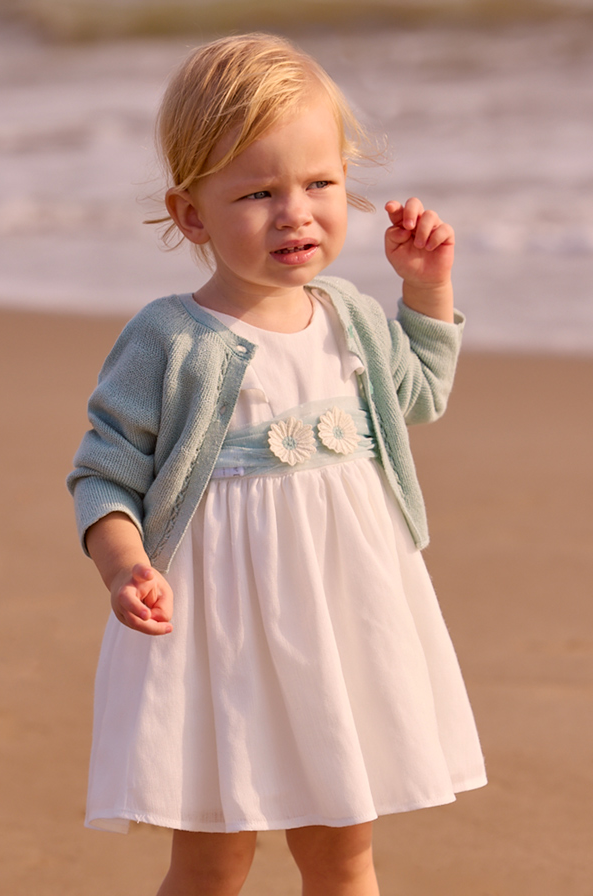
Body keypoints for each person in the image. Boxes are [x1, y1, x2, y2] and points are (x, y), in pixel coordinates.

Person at [68, 32, 486, 896]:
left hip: (342, 620)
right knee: (214, 860)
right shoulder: (170, 338)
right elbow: (104, 472)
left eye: (319, 184)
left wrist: (425, 289)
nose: (296, 212)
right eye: (258, 192)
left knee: (342, 851)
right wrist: (123, 564)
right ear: (191, 214)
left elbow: (417, 398)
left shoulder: (350, 314)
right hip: (217, 635)